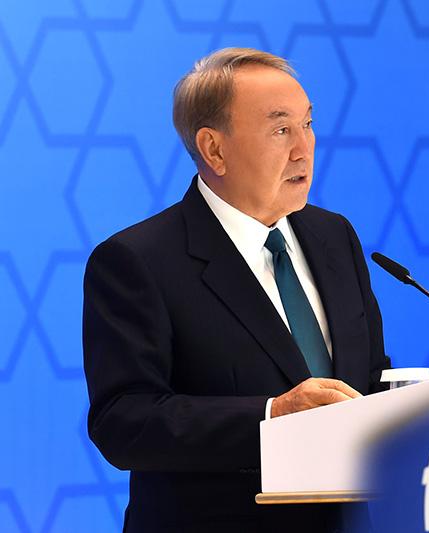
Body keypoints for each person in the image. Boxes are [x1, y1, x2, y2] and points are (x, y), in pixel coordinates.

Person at [82, 48, 391, 532]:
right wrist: (272, 416)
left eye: (308, 124)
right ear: (214, 150)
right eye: (281, 129)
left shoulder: (334, 236)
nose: (304, 149)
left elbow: (367, 376)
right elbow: (124, 422)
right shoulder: (137, 261)